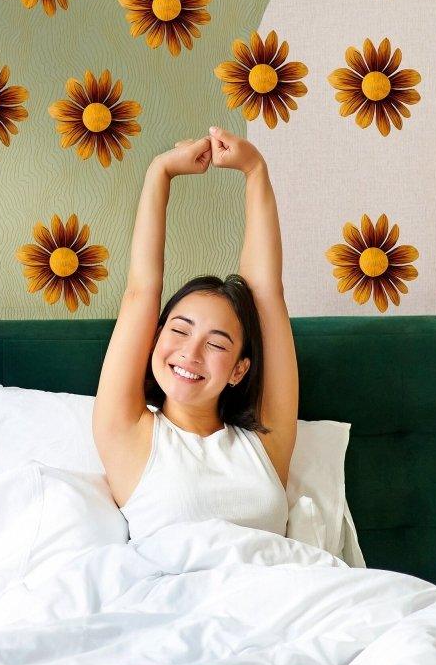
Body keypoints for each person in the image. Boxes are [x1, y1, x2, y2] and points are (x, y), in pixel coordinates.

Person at [92, 125, 299, 542]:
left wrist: (255, 169)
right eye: (180, 330)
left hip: (277, 595)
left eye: (217, 342)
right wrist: (160, 173)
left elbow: (266, 293)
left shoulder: (264, 443)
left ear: (240, 370)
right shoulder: (129, 435)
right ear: (155, 340)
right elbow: (140, 291)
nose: (191, 352)